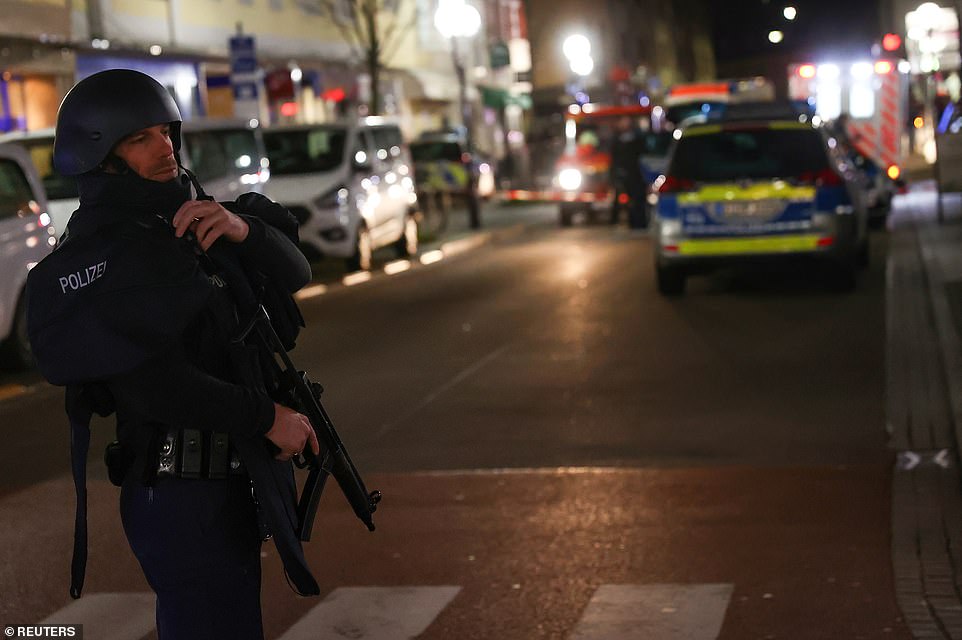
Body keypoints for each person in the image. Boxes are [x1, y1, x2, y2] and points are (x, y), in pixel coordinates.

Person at [25, 69, 321, 639]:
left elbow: (295, 273)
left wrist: (243, 229)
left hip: (221, 485)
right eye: (140, 139)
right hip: (181, 497)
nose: (163, 147)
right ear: (101, 156)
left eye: (165, 131)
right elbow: (156, 385)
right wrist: (268, 418)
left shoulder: (182, 219)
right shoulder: (108, 253)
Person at [608, 115, 648, 228]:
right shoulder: (617, 140)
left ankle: (638, 222)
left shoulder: (638, 139)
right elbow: (614, 158)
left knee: (637, 201)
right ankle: (617, 221)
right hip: (622, 174)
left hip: (636, 175)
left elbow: (643, 155)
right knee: (619, 200)